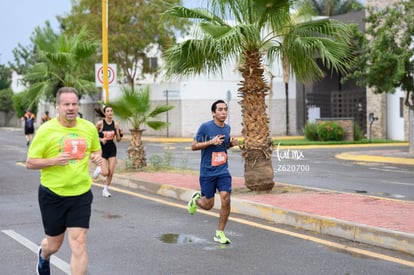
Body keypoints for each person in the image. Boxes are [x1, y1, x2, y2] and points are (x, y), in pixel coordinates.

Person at [26, 87, 108, 275]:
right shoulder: (46, 130)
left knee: (79, 243)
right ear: (58, 107)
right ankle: (43, 255)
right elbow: (30, 162)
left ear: (78, 105)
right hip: (53, 194)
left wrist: (97, 157)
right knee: (54, 245)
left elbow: (96, 149)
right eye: (66, 104)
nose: (71, 108)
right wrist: (54, 160)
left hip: (80, 193)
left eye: (74, 104)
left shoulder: (88, 128)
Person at [188, 99, 238, 244]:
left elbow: (223, 147)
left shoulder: (227, 128)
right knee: (208, 205)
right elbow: (193, 146)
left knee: (225, 198)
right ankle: (196, 200)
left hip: (223, 170)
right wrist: (211, 142)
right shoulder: (205, 127)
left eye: (225, 109)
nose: (223, 112)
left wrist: (230, 144)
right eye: (220, 109)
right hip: (207, 172)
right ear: (213, 113)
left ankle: (219, 233)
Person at [92, 105, 123, 197]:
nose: (110, 113)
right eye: (108, 111)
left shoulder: (115, 124)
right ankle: (99, 169)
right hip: (102, 149)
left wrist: (121, 135)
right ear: (105, 113)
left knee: (111, 171)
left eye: (111, 111)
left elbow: (118, 139)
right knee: (105, 173)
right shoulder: (100, 124)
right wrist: (101, 140)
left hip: (112, 149)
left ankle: (105, 190)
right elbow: (92, 135)